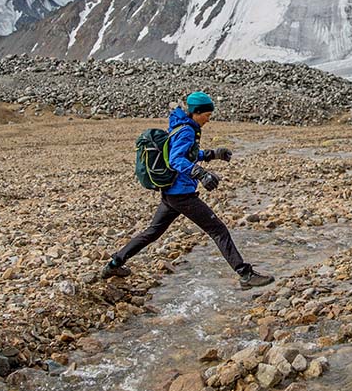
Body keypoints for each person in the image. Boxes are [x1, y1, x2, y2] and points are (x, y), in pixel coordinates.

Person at [101, 91, 274, 289]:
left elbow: (186, 153)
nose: (208, 120)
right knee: (218, 230)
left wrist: (211, 154)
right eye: (206, 115)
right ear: (196, 112)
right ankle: (245, 274)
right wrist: (201, 173)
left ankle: (114, 264)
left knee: (152, 232)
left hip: (171, 193)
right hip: (182, 194)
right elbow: (175, 159)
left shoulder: (181, 126)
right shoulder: (187, 130)